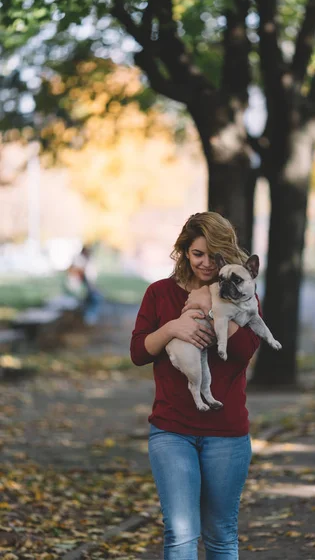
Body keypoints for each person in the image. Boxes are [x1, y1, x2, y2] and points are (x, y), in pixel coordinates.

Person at [130, 212, 261, 559]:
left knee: (220, 536)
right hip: (172, 430)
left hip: (227, 434)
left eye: (213, 254)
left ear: (226, 253)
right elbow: (138, 352)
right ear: (184, 253)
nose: (205, 263)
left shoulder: (241, 290)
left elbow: (245, 352)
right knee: (181, 534)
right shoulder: (159, 293)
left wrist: (210, 303)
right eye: (196, 253)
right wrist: (172, 328)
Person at [64, 245, 102, 325]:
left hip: (83, 288)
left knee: (95, 296)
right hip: (77, 289)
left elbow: (90, 279)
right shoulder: (78, 262)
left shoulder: (87, 263)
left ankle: (89, 317)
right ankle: (88, 318)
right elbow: (75, 275)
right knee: (94, 297)